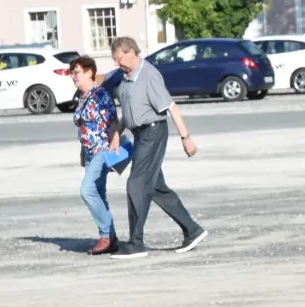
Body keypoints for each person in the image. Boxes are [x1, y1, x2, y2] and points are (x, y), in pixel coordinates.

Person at [108, 36, 206, 260]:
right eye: (115, 60)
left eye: (119, 59)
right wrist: (117, 133)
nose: (117, 64)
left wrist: (186, 138)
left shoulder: (149, 75)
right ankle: (193, 230)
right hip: (139, 134)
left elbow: (171, 107)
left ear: (132, 52)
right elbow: (130, 111)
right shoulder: (126, 78)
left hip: (153, 132)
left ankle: (136, 243)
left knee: (136, 183)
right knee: (156, 187)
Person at [69, 55, 120, 255]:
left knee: (87, 190)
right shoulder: (81, 97)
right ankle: (110, 237)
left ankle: (106, 235)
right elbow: (84, 125)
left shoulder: (101, 95)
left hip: (102, 150)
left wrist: (114, 145)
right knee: (98, 194)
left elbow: (114, 121)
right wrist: (82, 152)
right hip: (90, 152)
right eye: (72, 73)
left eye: (77, 72)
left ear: (90, 72)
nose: (74, 76)